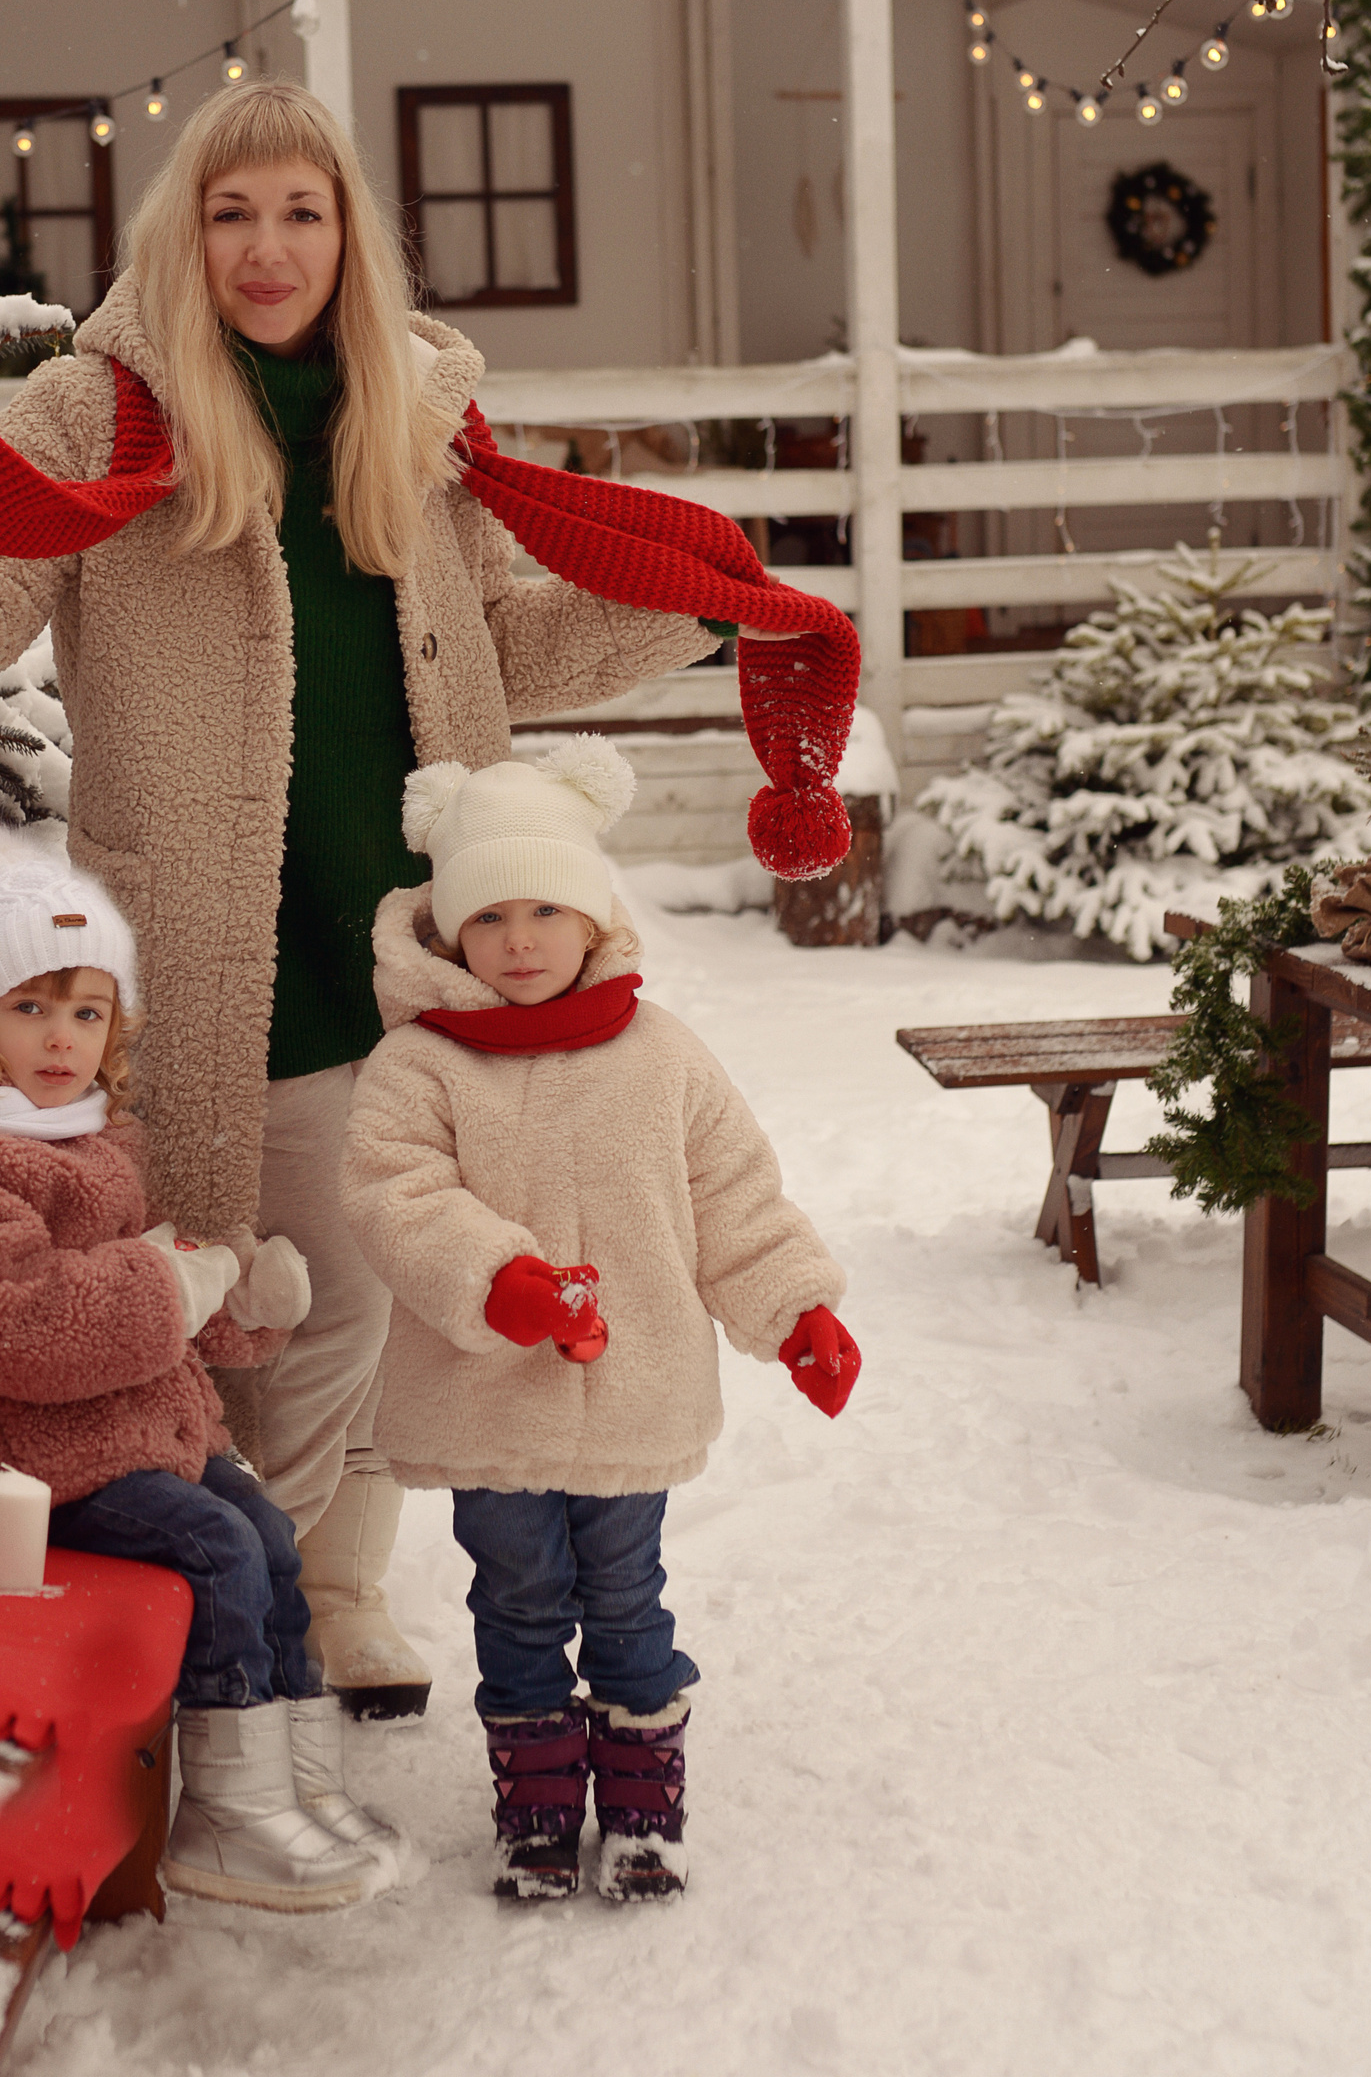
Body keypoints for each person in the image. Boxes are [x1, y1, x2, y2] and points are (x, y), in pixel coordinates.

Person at [0, 80, 728, 1720]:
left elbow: (502, 651)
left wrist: (693, 607)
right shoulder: (107, 417)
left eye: (300, 212)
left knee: (390, 1296)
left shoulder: (416, 422)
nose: (267, 248)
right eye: (231, 214)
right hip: (232, 953)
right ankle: (229, 1632)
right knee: (280, 1311)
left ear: (348, 233)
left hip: (421, 943)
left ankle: (326, 1596)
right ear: (182, 234)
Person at [0, 820, 408, 1911]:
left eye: (85, 1010)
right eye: (29, 1008)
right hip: (19, 1459)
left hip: (130, 1437)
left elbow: (167, 1284)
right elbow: (11, 1323)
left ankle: (291, 1775)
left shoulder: (99, 1133)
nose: (60, 1038)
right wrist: (168, 1288)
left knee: (263, 1532)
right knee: (214, 1549)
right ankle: (223, 1811)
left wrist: (240, 1300)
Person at [338, 739, 863, 1903]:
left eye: (544, 909)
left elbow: (733, 1195)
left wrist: (796, 1310)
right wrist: (499, 1278)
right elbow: (395, 1197)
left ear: (593, 918)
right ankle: (533, 1810)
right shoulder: (418, 1067)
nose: (518, 940)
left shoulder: (661, 1054)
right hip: (495, 1405)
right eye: (489, 917)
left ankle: (637, 1808)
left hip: (631, 1401)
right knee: (517, 1600)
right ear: (450, 932)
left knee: (627, 1597)